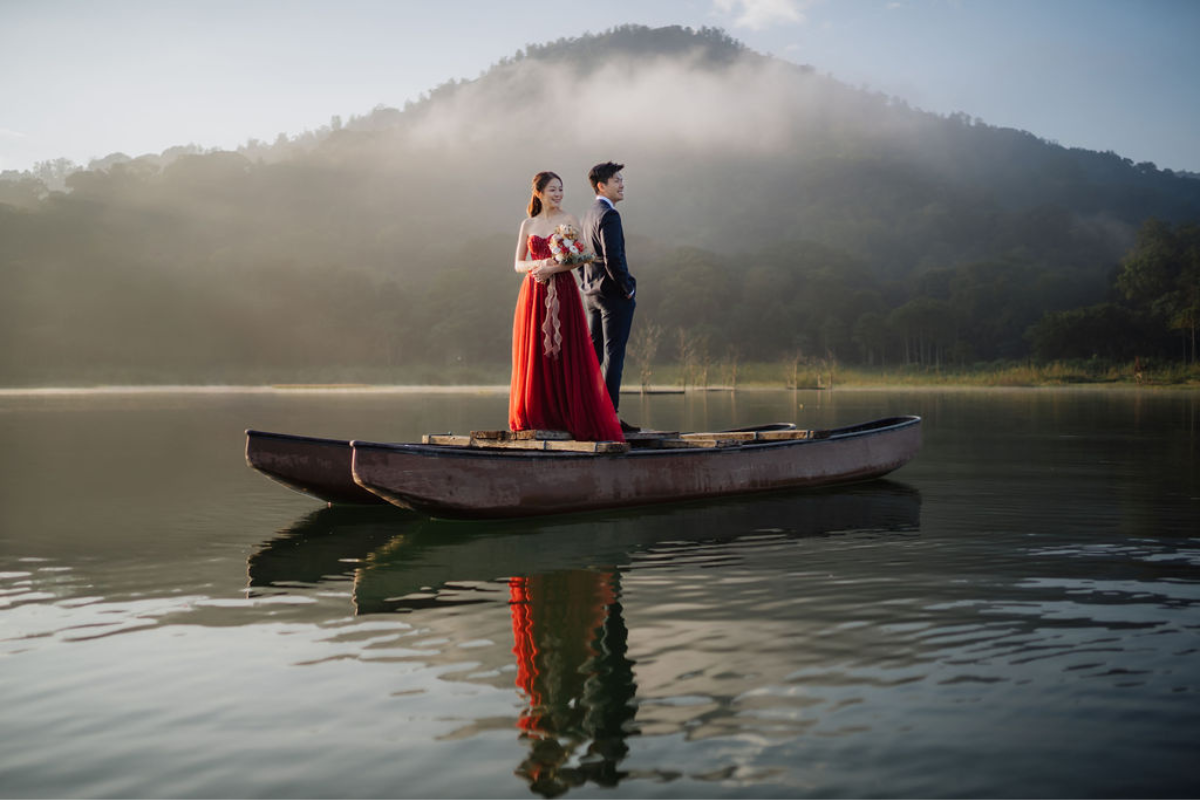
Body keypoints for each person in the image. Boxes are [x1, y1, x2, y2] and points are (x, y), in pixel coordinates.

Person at [509, 171, 624, 442]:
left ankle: (567, 415)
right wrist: (540, 266)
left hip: (562, 289)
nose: (558, 194)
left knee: (565, 352)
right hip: (534, 293)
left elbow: (581, 257)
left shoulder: (568, 220)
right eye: (552, 189)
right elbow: (518, 264)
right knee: (536, 351)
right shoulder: (528, 224)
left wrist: (553, 269)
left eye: (560, 189)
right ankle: (538, 415)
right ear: (538, 193)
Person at [580, 162, 638, 433]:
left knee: (595, 356)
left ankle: (591, 412)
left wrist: (585, 283)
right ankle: (610, 416)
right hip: (613, 294)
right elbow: (614, 257)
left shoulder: (588, 214)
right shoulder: (609, 215)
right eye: (617, 180)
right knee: (614, 355)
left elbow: (582, 257)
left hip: (591, 294)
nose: (622, 184)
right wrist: (628, 287)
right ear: (601, 185)